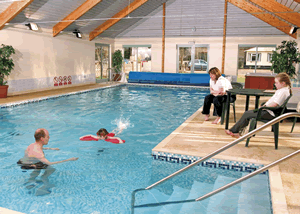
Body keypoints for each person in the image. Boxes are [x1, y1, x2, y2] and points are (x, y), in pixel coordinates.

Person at [225, 73, 292, 138]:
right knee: (248, 113)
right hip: (269, 111)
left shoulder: (283, 92)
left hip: (270, 113)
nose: (275, 84)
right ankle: (237, 131)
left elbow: (275, 104)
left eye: (276, 83)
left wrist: (264, 107)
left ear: (283, 83)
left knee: (247, 114)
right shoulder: (282, 90)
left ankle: (234, 131)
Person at [17, 128, 79, 195]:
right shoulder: (39, 153)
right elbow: (50, 163)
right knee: (51, 169)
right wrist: (69, 159)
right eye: (47, 136)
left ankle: (30, 181)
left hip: (23, 162)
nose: (49, 138)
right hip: (30, 164)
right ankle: (44, 184)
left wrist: (51, 149)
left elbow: (38, 148)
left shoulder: (32, 145)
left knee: (39, 168)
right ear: (42, 138)